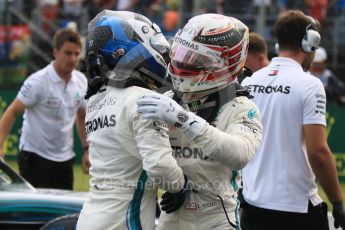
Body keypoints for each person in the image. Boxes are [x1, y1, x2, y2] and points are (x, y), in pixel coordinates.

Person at [137, 13, 263, 230]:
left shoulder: (241, 107)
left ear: (224, 63)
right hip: (172, 217)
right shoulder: (169, 101)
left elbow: (240, 155)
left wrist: (182, 118)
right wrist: (176, 185)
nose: (182, 62)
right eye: (182, 53)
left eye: (195, 59)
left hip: (216, 218)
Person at [76, 10, 186, 230]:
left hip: (91, 216)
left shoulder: (96, 101)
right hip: (124, 221)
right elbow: (161, 168)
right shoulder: (143, 99)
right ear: (124, 49)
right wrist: (181, 187)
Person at [241, 10, 345, 230]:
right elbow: (318, 153)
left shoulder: (249, 83)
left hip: (252, 204)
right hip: (295, 208)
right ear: (310, 44)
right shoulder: (309, 84)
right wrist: (337, 202)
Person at [0, 28, 90, 190]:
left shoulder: (81, 81)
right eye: (68, 53)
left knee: (62, 211)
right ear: (55, 52)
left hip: (65, 160)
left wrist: (86, 149)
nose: (73, 58)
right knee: (33, 212)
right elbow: (12, 111)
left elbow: (82, 116)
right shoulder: (38, 81)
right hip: (34, 157)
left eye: (77, 54)